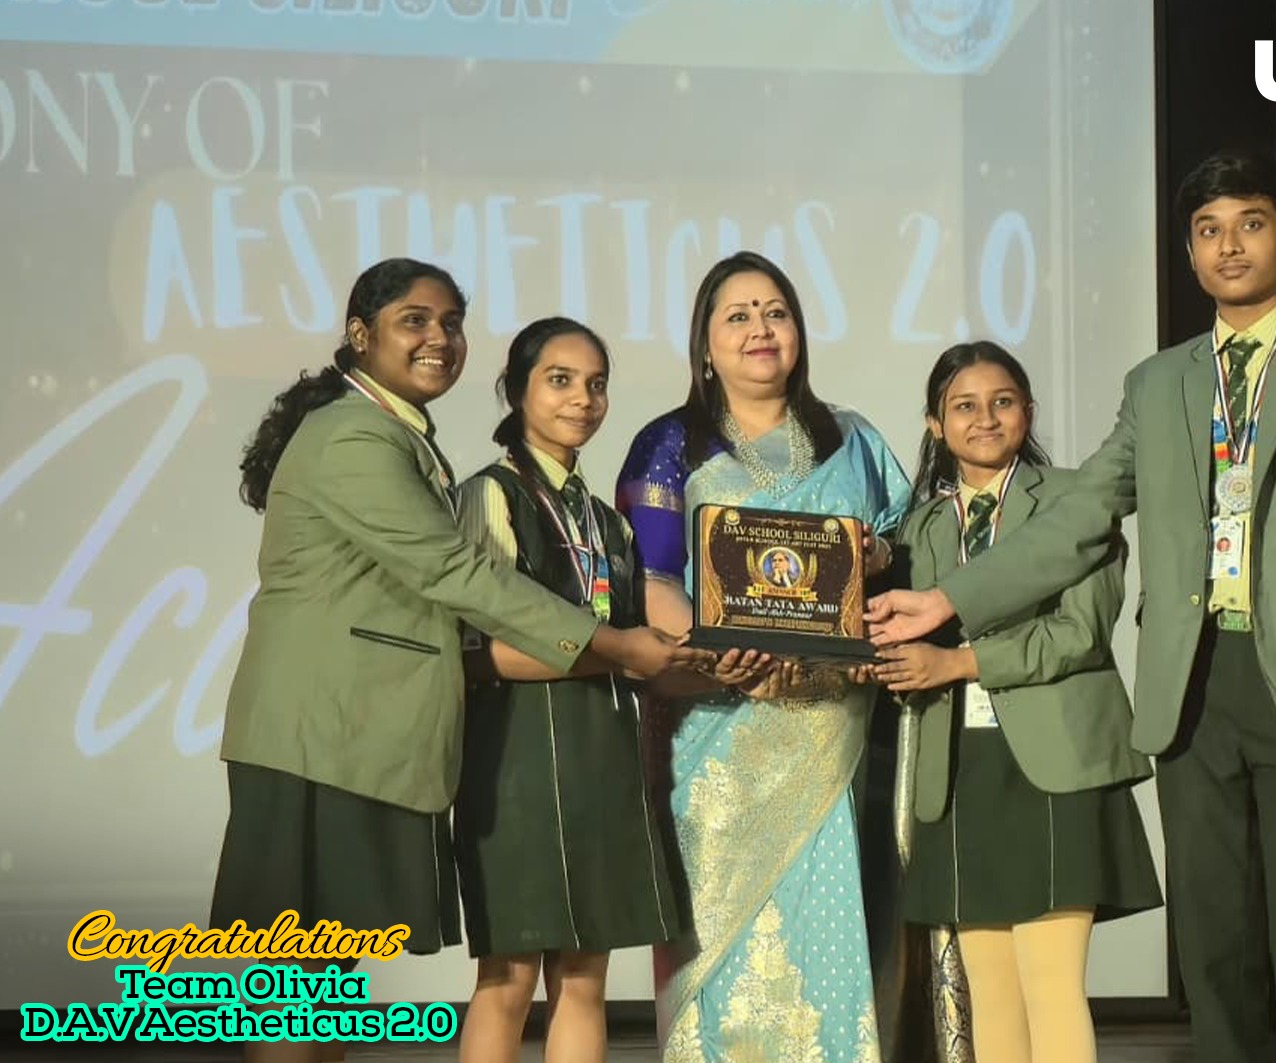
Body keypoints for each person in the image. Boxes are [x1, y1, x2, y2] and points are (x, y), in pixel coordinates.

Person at [866, 151, 1276, 1063]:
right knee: (1214, 939)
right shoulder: (1158, 383)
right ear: (1190, 250)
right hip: (1189, 689)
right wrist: (945, 596)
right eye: (1208, 230)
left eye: (1250, 223)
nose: (1228, 245)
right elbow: (1079, 516)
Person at [211, 259, 706, 1063]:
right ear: (360, 334)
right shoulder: (354, 433)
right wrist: (616, 645)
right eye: (414, 320)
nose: (439, 337)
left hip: (354, 736)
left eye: (451, 323)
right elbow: (455, 573)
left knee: (324, 973)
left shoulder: (398, 433)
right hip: (316, 733)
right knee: (296, 976)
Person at [616, 250, 912, 1062]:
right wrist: (719, 655)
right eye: (738, 315)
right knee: (719, 938)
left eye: (775, 311)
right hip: (719, 719)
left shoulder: (853, 439)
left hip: (830, 727)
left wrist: (876, 555)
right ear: (706, 344)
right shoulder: (671, 443)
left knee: (831, 927)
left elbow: (904, 550)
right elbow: (651, 579)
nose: (760, 328)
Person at [877, 341, 1161, 1063]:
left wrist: (956, 662)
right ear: (935, 424)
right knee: (990, 992)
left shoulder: (1073, 501)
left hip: (1055, 763)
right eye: (963, 406)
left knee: (1051, 984)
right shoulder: (919, 526)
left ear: (1028, 412)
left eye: (1002, 402)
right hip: (957, 770)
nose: (985, 419)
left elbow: (1080, 635)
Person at [452, 317, 689, 1063]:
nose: (582, 399)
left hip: (602, 761)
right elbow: (478, 653)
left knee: (585, 978)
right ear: (516, 389)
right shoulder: (489, 496)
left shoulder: (608, 521)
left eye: (596, 384)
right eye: (560, 380)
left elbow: (638, 645)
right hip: (514, 766)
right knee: (508, 978)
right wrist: (619, 656)